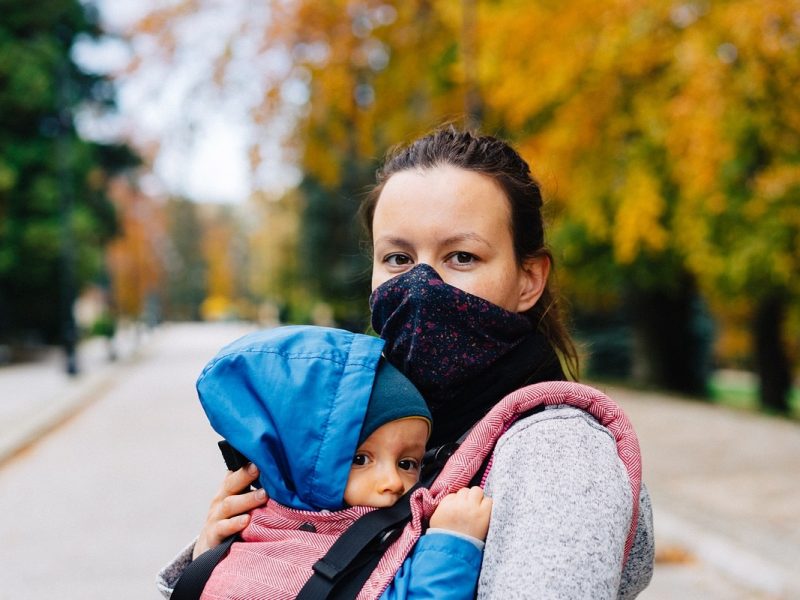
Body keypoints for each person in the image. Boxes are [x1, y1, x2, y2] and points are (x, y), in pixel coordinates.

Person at [161, 127, 655, 598]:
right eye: (398, 259)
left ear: (528, 279)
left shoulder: (556, 453)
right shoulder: (363, 420)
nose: (421, 286)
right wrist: (220, 560)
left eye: (461, 257)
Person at [162, 325, 491, 599]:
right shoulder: (255, 566)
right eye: (360, 459)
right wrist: (452, 545)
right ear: (299, 464)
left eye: (408, 463)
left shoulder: (393, 529)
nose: (392, 482)